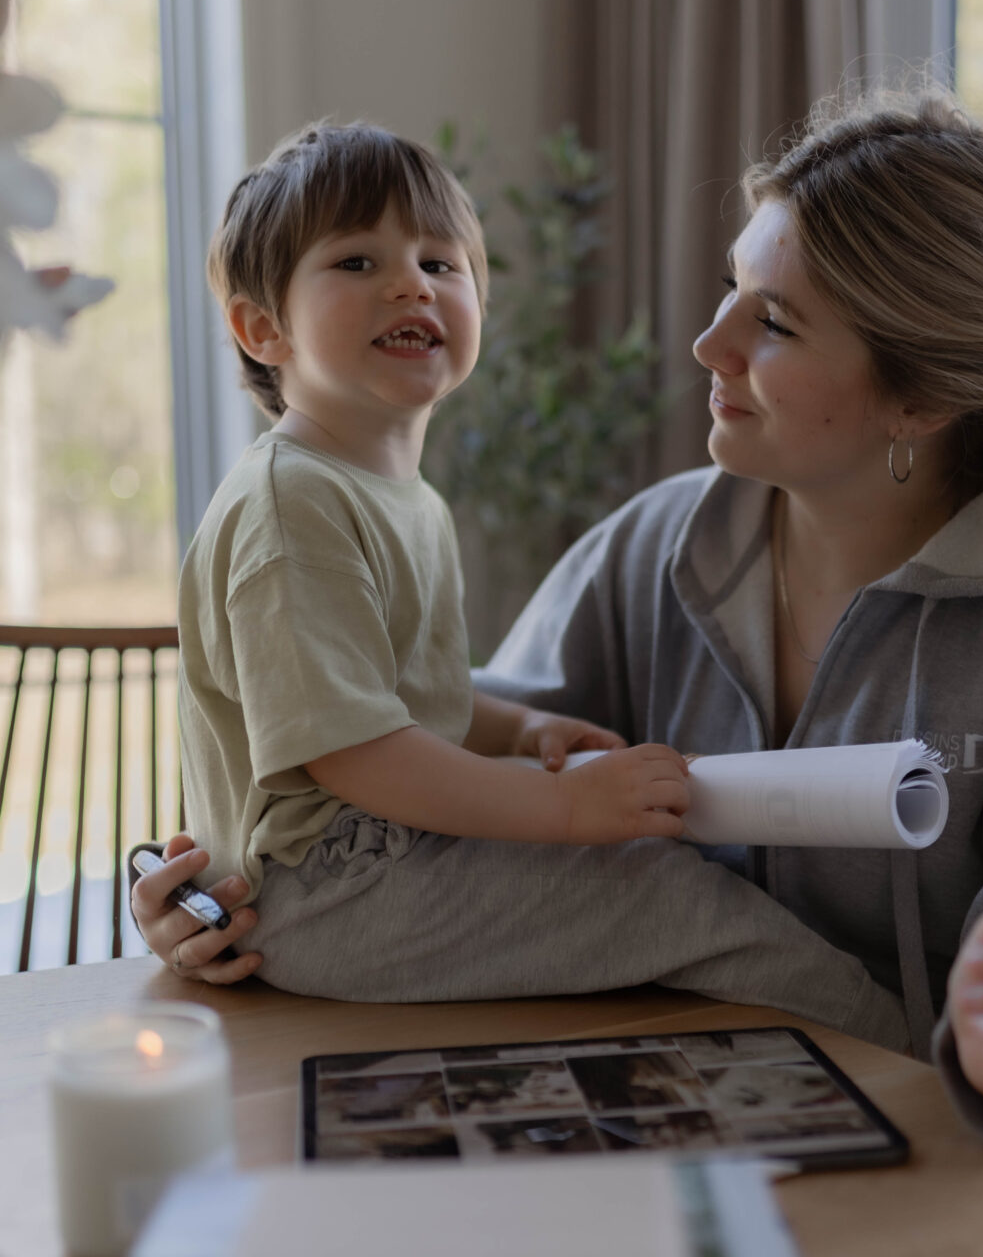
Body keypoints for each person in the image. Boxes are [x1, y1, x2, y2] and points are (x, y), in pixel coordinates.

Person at [135, 92, 983, 1172]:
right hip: (769, 1140)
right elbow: (408, 771)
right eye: (730, 291)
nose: (707, 344)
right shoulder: (657, 549)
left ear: (918, 401)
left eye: (772, 322)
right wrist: (203, 882)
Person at [165, 118, 926, 1054]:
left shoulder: (391, 496)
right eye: (357, 262)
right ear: (262, 328)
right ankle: (908, 1067)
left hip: (362, 865)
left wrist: (521, 730)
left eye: (441, 263)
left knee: (637, 863)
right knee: (665, 890)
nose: (411, 284)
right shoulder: (294, 504)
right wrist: (567, 808)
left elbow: (400, 701)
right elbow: (358, 755)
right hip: (330, 888)